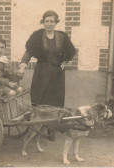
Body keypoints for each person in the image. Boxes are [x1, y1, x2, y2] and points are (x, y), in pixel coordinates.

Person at [18, 10, 76, 140]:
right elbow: (29, 52)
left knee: (54, 100)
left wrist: (65, 61)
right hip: (42, 72)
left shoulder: (62, 36)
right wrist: (23, 65)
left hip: (57, 74)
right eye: (46, 21)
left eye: (52, 21)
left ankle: (51, 130)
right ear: (43, 22)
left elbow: (70, 51)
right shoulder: (37, 36)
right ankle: (36, 127)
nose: (49, 24)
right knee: (40, 99)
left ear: (56, 22)